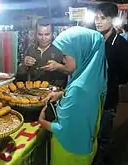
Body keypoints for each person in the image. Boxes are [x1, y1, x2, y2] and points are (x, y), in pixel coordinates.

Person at [38, 26, 107, 165]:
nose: (63, 60)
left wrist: (43, 122)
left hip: (69, 152)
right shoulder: (94, 78)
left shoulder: (78, 88)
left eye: (65, 55)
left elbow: (64, 129)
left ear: (80, 51)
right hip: (85, 145)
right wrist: (62, 94)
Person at [94, 3, 128, 163]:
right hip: (92, 96)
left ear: (112, 19)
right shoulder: (94, 40)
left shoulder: (120, 44)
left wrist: (112, 81)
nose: (98, 22)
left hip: (108, 98)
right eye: (96, 18)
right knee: (93, 132)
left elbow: (126, 73)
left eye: (103, 18)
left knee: (105, 135)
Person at [16, 20, 68, 88]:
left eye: (47, 34)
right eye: (40, 34)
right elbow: (20, 73)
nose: (43, 38)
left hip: (55, 92)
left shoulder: (61, 49)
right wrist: (24, 64)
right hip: (34, 92)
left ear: (52, 33)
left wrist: (58, 66)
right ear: (35, 34)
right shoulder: (30, 50)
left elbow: (71, 71)